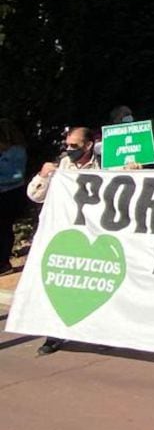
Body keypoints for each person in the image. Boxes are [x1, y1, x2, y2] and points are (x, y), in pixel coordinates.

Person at [26, 126, 100, 356]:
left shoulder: (105, 165)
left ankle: (99, 331)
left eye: (75, 146)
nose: (69, 150)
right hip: (63, 234)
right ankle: (54, 334)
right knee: (60, 282)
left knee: (95, 283)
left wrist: (132, 171)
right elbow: (35, 196)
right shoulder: (62, 166)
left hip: (94, 234)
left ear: (88, 145)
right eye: (67, 145)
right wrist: (43, 175)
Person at [0, 119, 28, 275]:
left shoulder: (17, 152)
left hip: (10, 194)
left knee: (4, 228)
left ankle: (3, 263)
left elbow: (16, 175)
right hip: (5, 193)